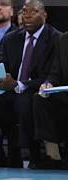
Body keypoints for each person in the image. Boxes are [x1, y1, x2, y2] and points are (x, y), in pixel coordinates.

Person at [0, 0, 60, 168]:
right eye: (23, 12)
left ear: (44, 15)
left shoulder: (55, 39)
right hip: (9, 91)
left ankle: (29, 156)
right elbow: (3, 69)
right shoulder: (11, 39)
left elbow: (53, 76)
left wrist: (19, 85)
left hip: (36, 92)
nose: (26, 16)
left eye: (32, 12)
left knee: (25, 100)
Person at [33, 32, 68, 170]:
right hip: (65, 93)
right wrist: (48, 84)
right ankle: (53, 156)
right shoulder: (64, 39)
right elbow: (55, 72)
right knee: (40, 98)